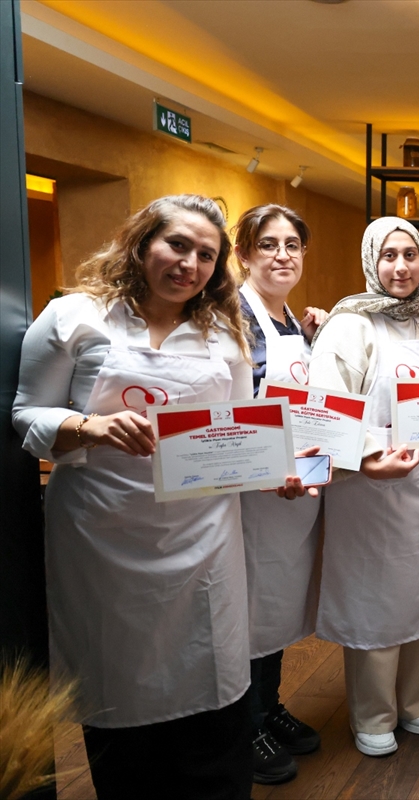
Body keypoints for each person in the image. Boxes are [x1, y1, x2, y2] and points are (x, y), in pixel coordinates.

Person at [13, 195, 310, 798]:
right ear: (141, 241)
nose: (190, 264)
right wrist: (87, 428)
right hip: (103, 535)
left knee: (214, 682)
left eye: (206, 254)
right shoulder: (75, 318)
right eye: (177, 245)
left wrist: (272, 469)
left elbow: (233, 432)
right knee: (120, 689)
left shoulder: (222, 333)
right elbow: (24, 415)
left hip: (204, 537)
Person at [309, 217, 419, 758]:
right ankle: (374, 711)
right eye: (388, 256)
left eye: (410, 255)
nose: (400, 267)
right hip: (369, 484)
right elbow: (324, 413)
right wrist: (368, 458)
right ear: (370, 262)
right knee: (375, 595)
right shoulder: (348, 325)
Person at [233, 204, 329, 784]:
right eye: (268, 245)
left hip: (298, 483)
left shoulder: (294, 320)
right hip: (255, 487)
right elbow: (232, 412)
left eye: (292, 245)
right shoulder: (231, 321)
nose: (282, 255)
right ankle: (244, 727)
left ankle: (267, 707)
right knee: (248, 607)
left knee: (279, 602)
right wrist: (268, 467)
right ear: (243, 254)